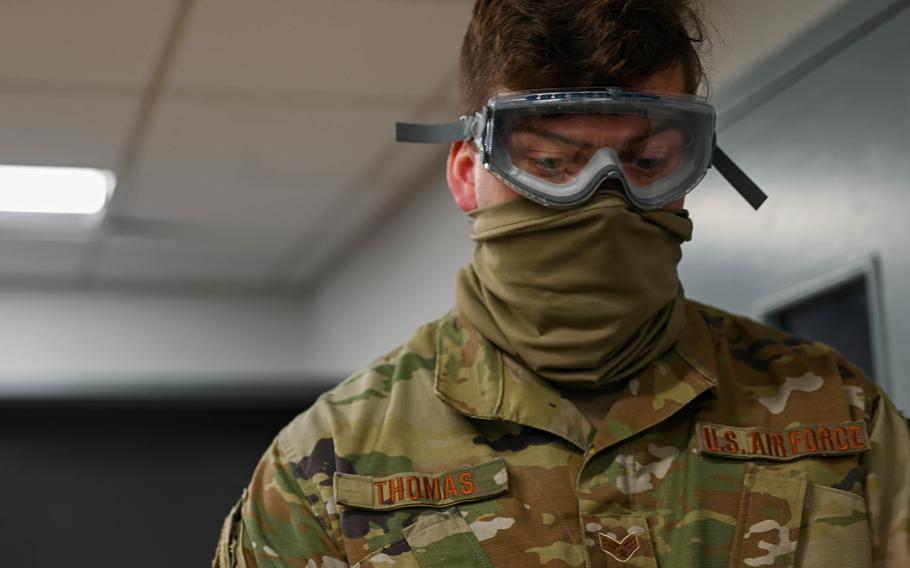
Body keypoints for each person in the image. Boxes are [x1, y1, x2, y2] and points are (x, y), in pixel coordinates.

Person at [214, 1, 910, 566]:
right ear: (466, 173)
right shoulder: (326, 473)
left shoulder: (840, 416)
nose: (601, 197)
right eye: (549, 162)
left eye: (649, 161)